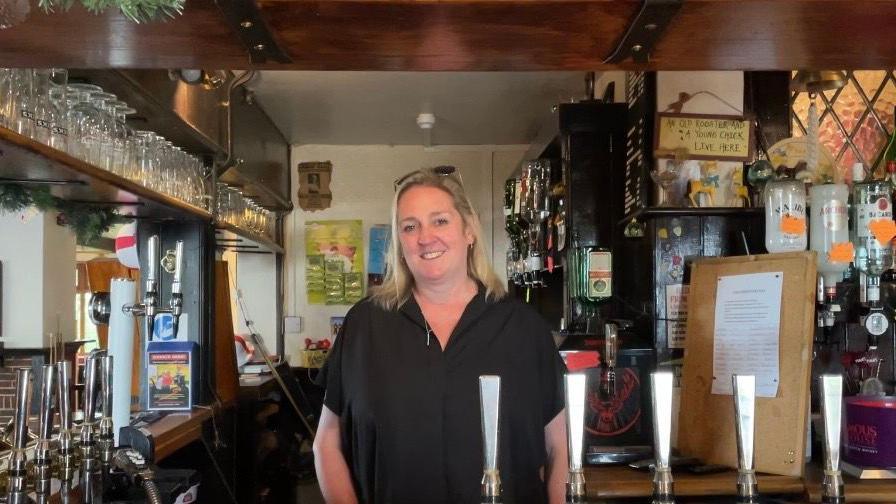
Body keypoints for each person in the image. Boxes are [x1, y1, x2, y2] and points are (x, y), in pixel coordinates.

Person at [313, 166, 568, 503]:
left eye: (440, 221)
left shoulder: (522, 327)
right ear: (400, 242)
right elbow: (326, 442)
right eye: (409, 226)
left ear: (469, 231)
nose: (425, 236)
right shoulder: (365, 325)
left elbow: (562, 447)